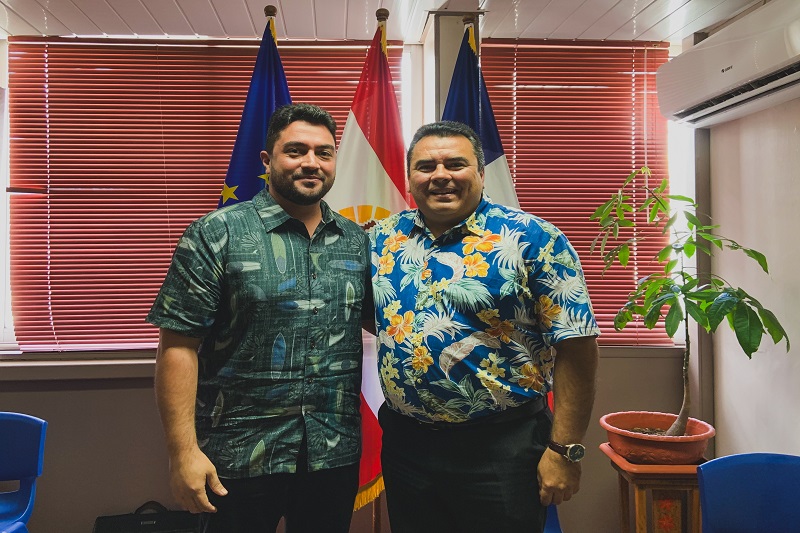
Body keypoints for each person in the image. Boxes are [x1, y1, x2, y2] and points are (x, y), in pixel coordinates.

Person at [146, 103, 371, 533]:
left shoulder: (356, 241)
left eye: (324, 153)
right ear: (268, 160)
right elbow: (178, 347)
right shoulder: (217, 233)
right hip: (239, 454)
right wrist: (182, 453)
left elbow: (388, 322)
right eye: (296, 150)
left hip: (331, 451)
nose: (311, 163)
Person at [369, 121, 600, 533]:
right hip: (407, 447)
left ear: (480, 172)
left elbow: (577, 348)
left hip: (502, 448)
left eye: (455, 164)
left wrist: (564, 451)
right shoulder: (382, 239)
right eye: (426, 166)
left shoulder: (534, 238)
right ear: (409, 178)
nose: (440, 175)